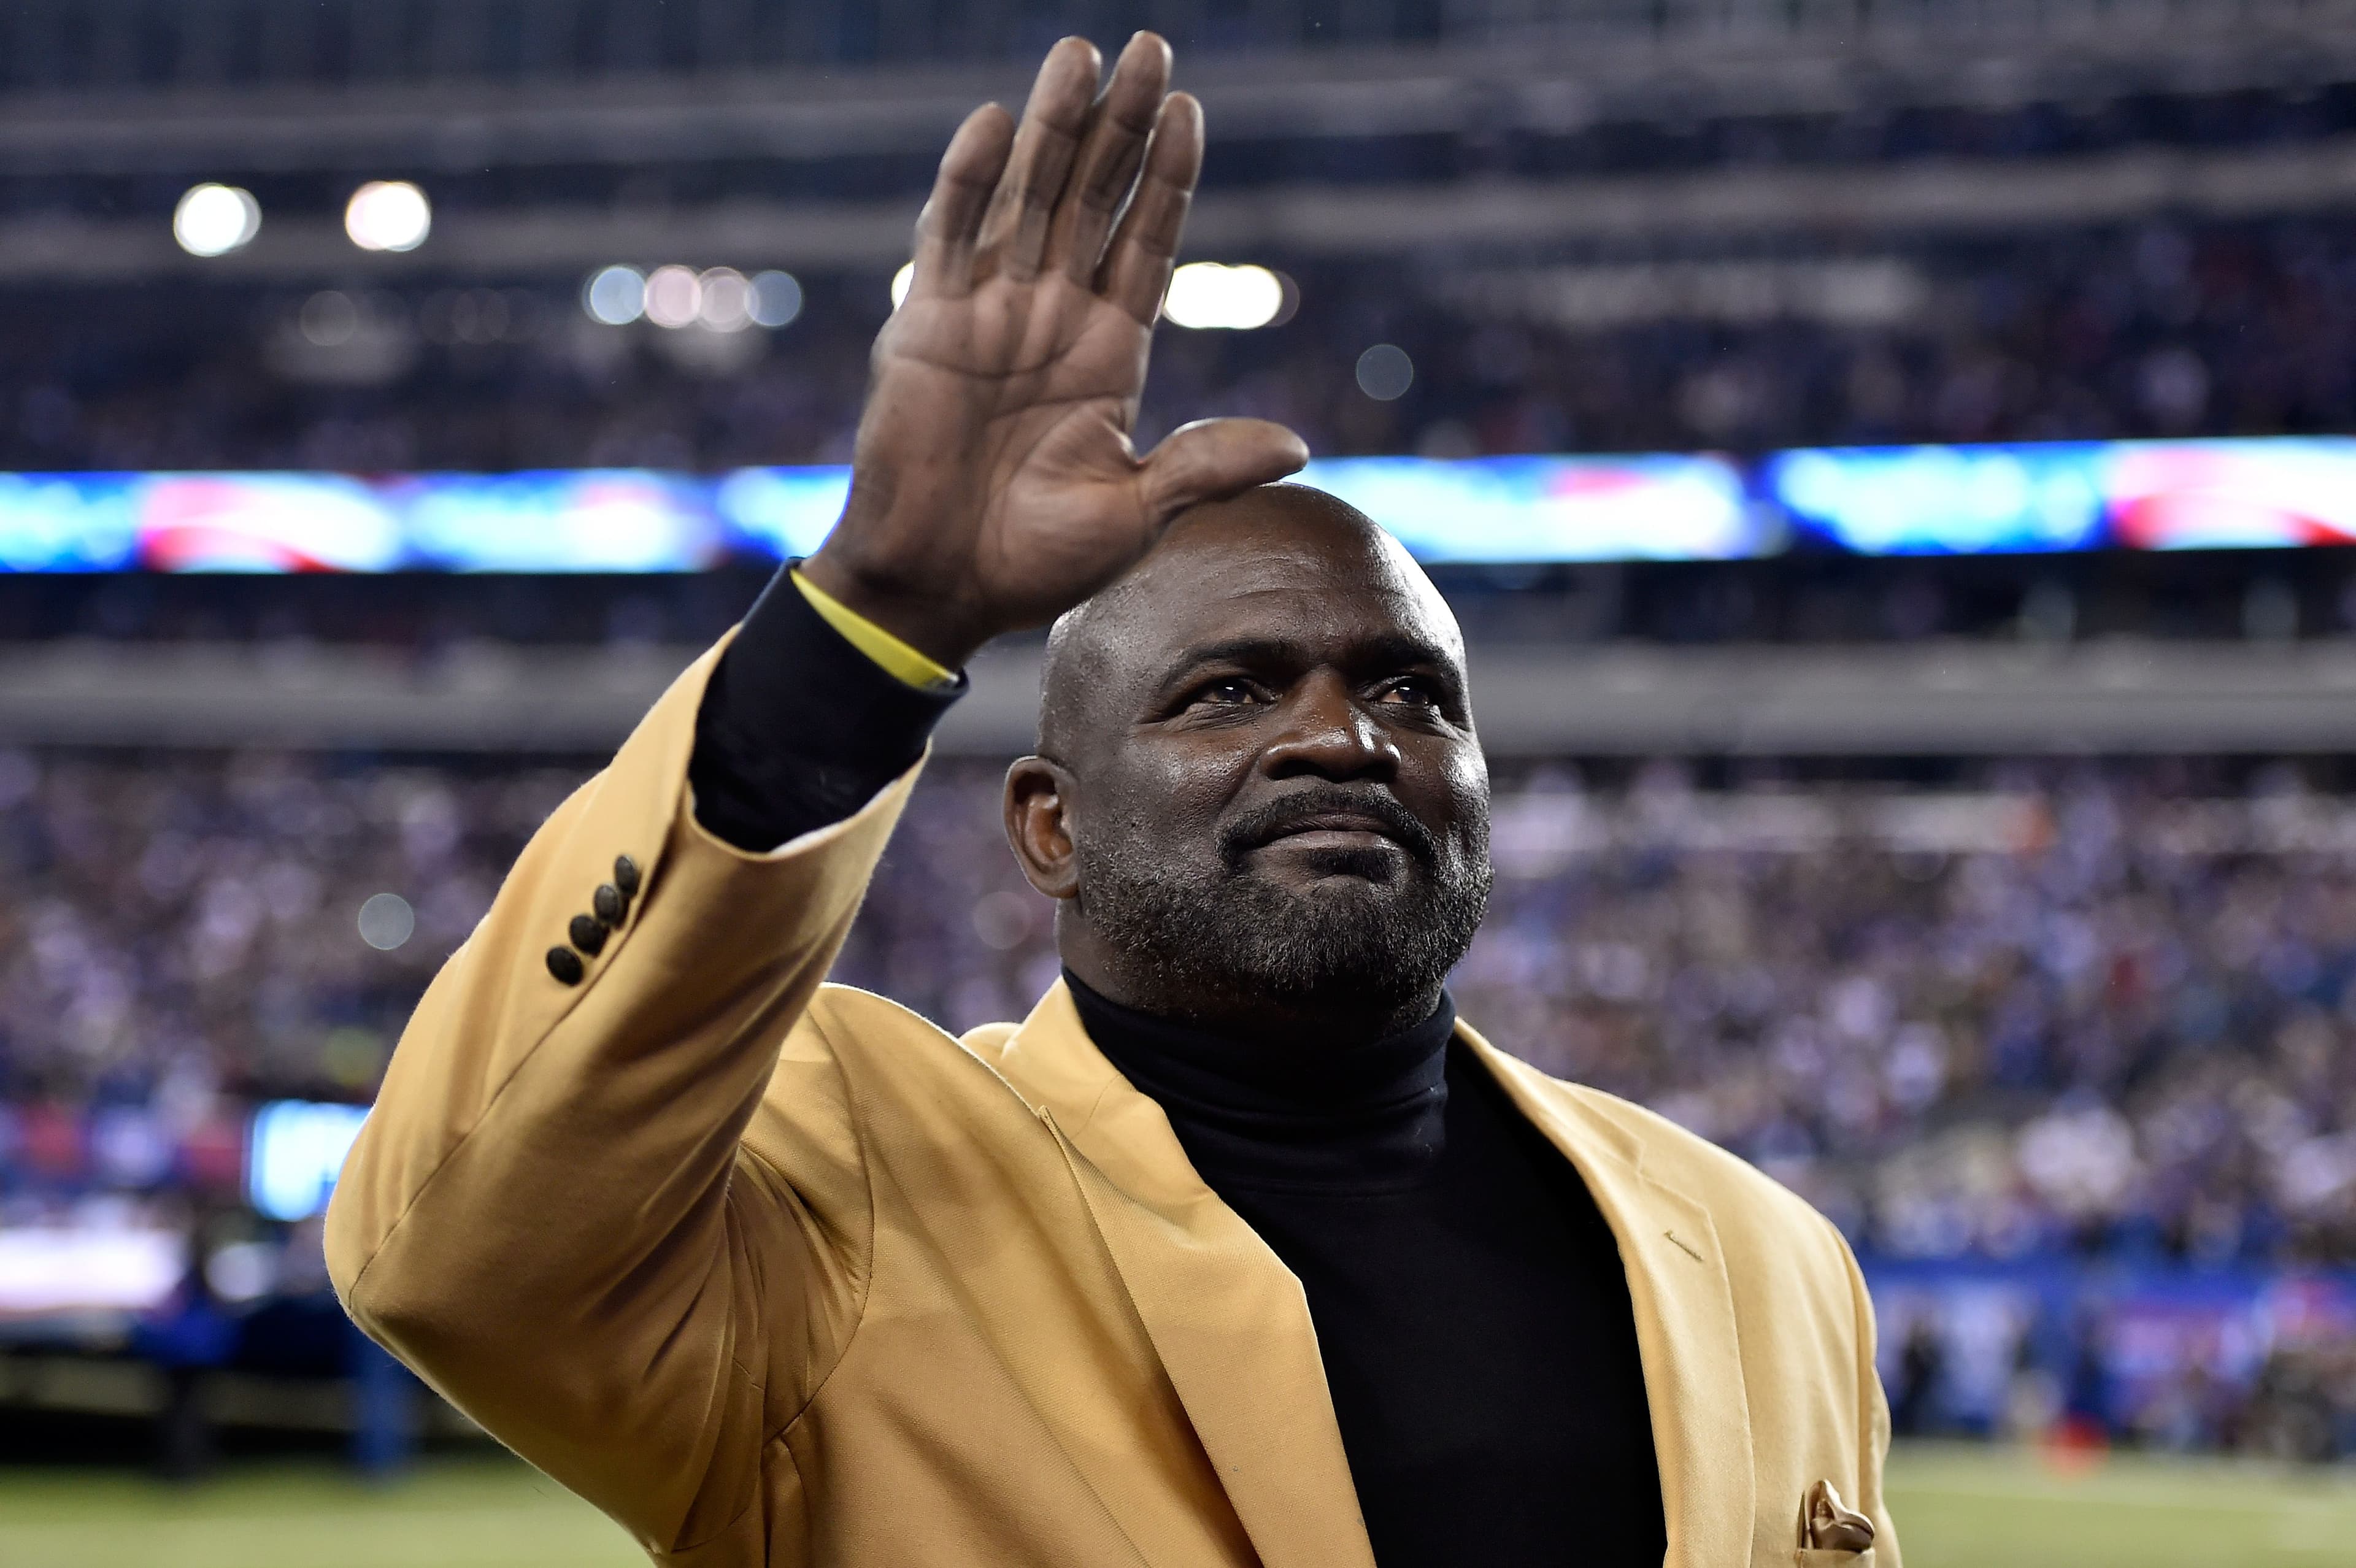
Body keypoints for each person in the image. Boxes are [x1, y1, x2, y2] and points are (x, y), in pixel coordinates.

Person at [326, 33, 1898, 1568]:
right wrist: (875, 611)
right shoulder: (840, 1189)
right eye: (1230, 691)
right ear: (1048, 826)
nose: (1343, 738)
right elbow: (451, 1247)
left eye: (1415, 692)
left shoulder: (1766, 1260)